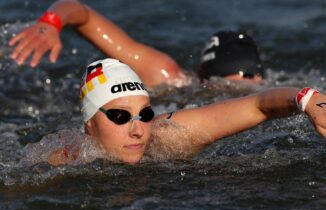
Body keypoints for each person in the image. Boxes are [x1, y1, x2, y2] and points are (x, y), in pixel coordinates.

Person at [23, 58, 325, 166]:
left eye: (144, 114)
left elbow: (257, 105)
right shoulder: (61, 161)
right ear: (89, 124)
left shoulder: (168, 136)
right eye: (119, 116)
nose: (138, 129)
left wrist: (308, 99)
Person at [8, 0, 264, 89]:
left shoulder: (168, 77)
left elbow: (80, 13)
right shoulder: (165, 75)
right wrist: (49, 23)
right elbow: (81, 12)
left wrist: (50, 24)